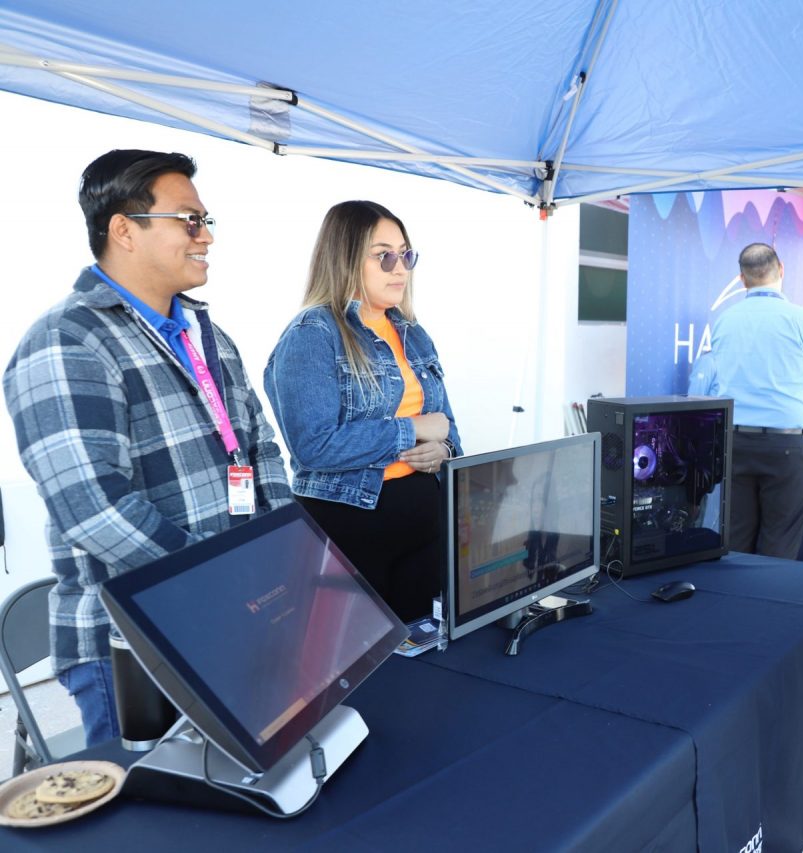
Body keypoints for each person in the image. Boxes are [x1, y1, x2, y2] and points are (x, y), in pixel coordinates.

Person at [3, 150, 292, 746]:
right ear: (124, 230)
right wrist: (220, 585)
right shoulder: (67, 341)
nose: (206, 236)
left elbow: (260, 449)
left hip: (233, 613)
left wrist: (280, 560)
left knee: (243, 785)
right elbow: (94, 509)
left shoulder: (207, 335)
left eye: (206, 221)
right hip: (134, 642)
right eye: (189, 220)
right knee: (157, 803)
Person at [265, 200, 462, 623]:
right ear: (345, 258)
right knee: (356, 657)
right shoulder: (312, 334)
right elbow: (314, 447)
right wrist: (412, 431)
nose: (400, 269)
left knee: (426, 654)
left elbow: (446, 425)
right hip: (350, 532)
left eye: (406, 255)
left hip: (425, 526)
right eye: (383, 256)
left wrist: (444, 450)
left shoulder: (413, 333)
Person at [710, 243, 803, 558]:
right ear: (781, 269)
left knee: (735, 546)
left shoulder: (724, 320)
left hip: (734, 443)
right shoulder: (802, 320)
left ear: (742, 278)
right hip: (787, 446)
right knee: (779, 548)